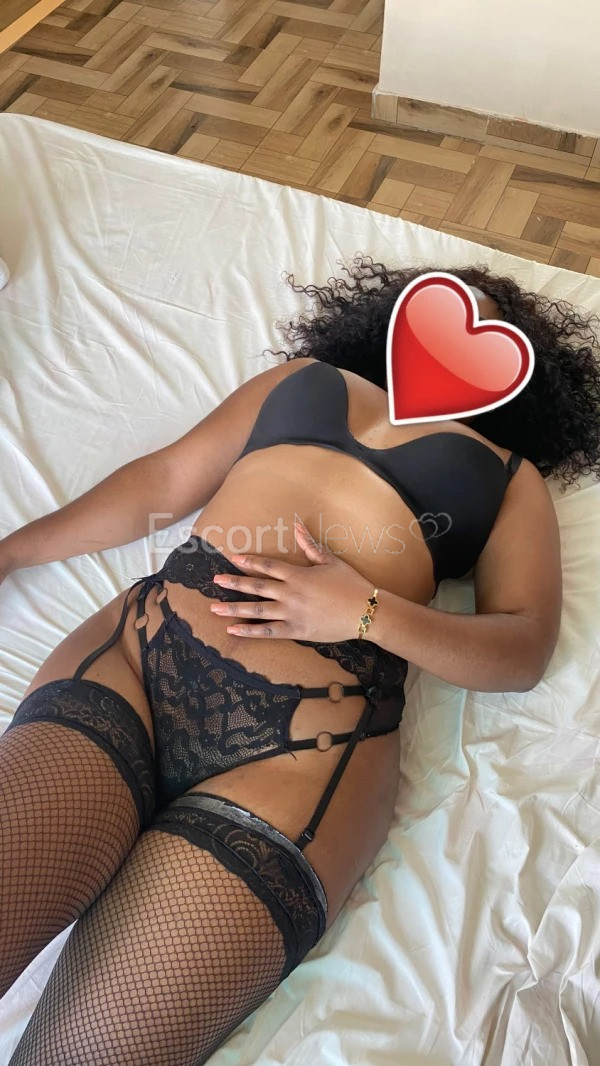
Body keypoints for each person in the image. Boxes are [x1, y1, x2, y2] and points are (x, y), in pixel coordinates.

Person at [1, 254, 599, 1066]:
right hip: (136, 667)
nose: (463, 326)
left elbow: (522, 648)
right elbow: (165, 480)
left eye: (490, 326)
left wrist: (366, 610)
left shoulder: (505, 476)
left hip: (302, 756)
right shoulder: (303, 381)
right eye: (444, 309)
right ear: (394, 319)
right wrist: (11, 551)